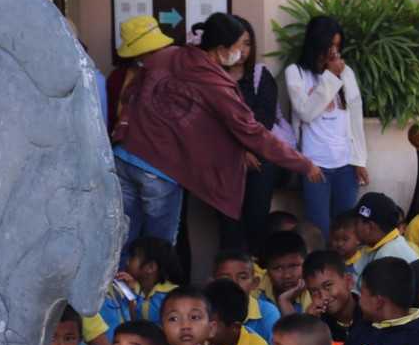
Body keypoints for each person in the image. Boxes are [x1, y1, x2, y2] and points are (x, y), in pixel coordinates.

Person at [111, 13, 322, 243]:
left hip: (123, 157)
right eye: (237, 46)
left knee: (121, 243)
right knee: (158, 247)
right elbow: (254, 132)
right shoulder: (216, 83)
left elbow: (129, 94)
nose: (240, 52)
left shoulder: (167, 55)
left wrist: (122, 132)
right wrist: (303, 163)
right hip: (159, 169)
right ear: (221, 49)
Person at [281, 15, 367, 236]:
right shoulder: (296, 72)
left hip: (346, 164)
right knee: (319, 231)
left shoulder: (346, 73)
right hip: (315, 165)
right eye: (329, 45)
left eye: (337, 45)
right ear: (315, 42)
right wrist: (330, 76)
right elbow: (305, 112)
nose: (334, 51)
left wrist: (359, 160)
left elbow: (355, 118)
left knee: (347, 232)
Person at [226, 16, 290, 250]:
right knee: (228, 230)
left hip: (261, 161)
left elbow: (263, 121)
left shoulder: (260, 76)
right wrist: (240, 153)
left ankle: (256, 272)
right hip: (224, 162)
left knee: (256, 225)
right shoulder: (211, 78)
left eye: (247, 43)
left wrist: (247, 150)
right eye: (236, 43)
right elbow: (210, 125)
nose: (242, 50)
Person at [106, 15, 173, 134]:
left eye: (161, 48)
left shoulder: (175, 75)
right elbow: (111, 122)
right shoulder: (117, 80)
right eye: (152, 51)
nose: (159, 54)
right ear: (135, 54)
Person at [203, 279, 270, 345]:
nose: (203, 326)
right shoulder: (198, 341)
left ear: (235, 327)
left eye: (212, 324)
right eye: (200, 318)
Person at [350, 193, 417, 284]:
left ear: (370, 227)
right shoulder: (374, 245)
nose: (354, 227)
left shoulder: (388, 257)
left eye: (357, 223)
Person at [303, 250, 361, 345]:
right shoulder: (319, 324)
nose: (323, 296)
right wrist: (311, 327)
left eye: (327, 286)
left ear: (348, 281)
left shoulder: (370, 316)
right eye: (314, 291)